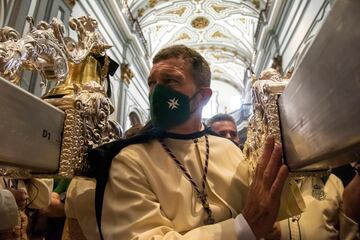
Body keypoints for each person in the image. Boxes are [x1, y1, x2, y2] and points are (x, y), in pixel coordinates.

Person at [93, 45, 304, 239]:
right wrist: (242, 228)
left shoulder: (230, 150)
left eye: (170, 81)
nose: (157, 91)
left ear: (203, 97)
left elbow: (268, 214)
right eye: (152, 83)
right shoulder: (130, 160)